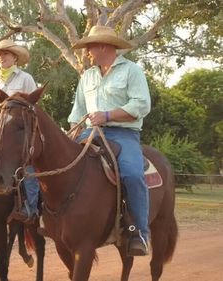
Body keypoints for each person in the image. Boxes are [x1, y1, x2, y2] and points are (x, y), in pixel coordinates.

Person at [68, 25, 151, 256]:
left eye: (89, 48)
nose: (87, 53)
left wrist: (107, 115)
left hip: (123, 134)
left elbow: (141, 105)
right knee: (61, 164)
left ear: (103, 46)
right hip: (88, 133)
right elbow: (78, 110)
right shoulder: (87, 75)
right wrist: (71, 133)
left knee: (133, 175)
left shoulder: (131, 71)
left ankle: (140, 233)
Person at [0, 39, 40, 223]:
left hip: (20, 132)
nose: (1, 57)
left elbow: (34, 106)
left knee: (28, 168)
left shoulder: (25, 79)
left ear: (15, 57)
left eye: (5, 54)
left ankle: (31, 208)